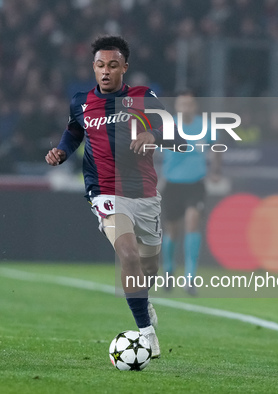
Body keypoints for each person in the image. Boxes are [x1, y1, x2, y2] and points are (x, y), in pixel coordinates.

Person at [45, 36, 182, 359]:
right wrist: (62, 152)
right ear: (94, 67)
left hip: (145, 194)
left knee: (148, 267)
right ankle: (146, 334)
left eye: (112, 65)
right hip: (105, 190)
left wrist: (152, 134)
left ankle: (142, 301)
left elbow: (177, 136)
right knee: (127, 253)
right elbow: (74, 132)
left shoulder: (143, 97)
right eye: (100, 65)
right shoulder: (80, 102)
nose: (105, 72)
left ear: (125, 68)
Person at [161, 91, 221, 296]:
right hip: (172, 183)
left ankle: (190, 277)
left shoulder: (205, 126)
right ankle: (169, 268)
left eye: (189, 104)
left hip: (196, 183)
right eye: (182, 104)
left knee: (193, 222)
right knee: (172, 230)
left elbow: (215, 149)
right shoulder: (167, 126)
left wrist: (215, 171)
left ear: (194, 106)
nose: (186, 108)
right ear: (177, 107)